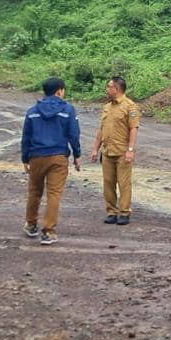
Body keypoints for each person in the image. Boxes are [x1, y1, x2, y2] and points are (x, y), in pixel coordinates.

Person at [21, 77, 82, 246]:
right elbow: (74, 134)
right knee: (54, 193)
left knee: (34, 191)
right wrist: (77, 155)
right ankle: (48, 232)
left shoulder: (32, 111)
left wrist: (25, 158)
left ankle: (31, 224)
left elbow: (26, 136)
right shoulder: (68, 110)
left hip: (36, 157)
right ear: (59, 91)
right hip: (58, 157)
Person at [90, 76, 140, 225]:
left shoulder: (130, 107)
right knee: (108, 183)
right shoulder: (107, 107)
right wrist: (95, 148)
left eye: (108, 87)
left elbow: (133, 129)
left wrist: (130, 149)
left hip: (122, 151)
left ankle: (124, 212)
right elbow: (102, 129)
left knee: (124, 184)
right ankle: (111, 211)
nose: (106, 89)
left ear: (116, 89)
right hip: (107, 151)